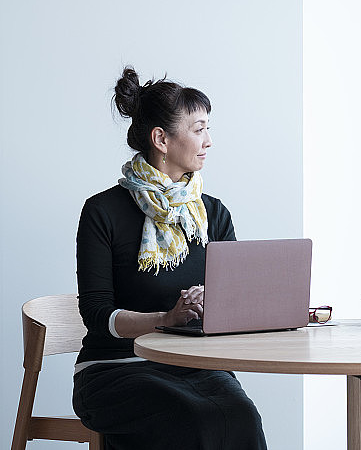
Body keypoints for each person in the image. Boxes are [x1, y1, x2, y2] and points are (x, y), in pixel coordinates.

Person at [72, 67, 267, 450]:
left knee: (243, 419)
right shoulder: (102, 212)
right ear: (161, 138)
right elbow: (96, 315)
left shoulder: (213, 214)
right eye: (198, 129)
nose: (209, 141)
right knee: (193, 423)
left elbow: (234, 303)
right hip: (116, 368)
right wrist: (166, 319)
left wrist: (218, 305)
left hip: (196, 366)